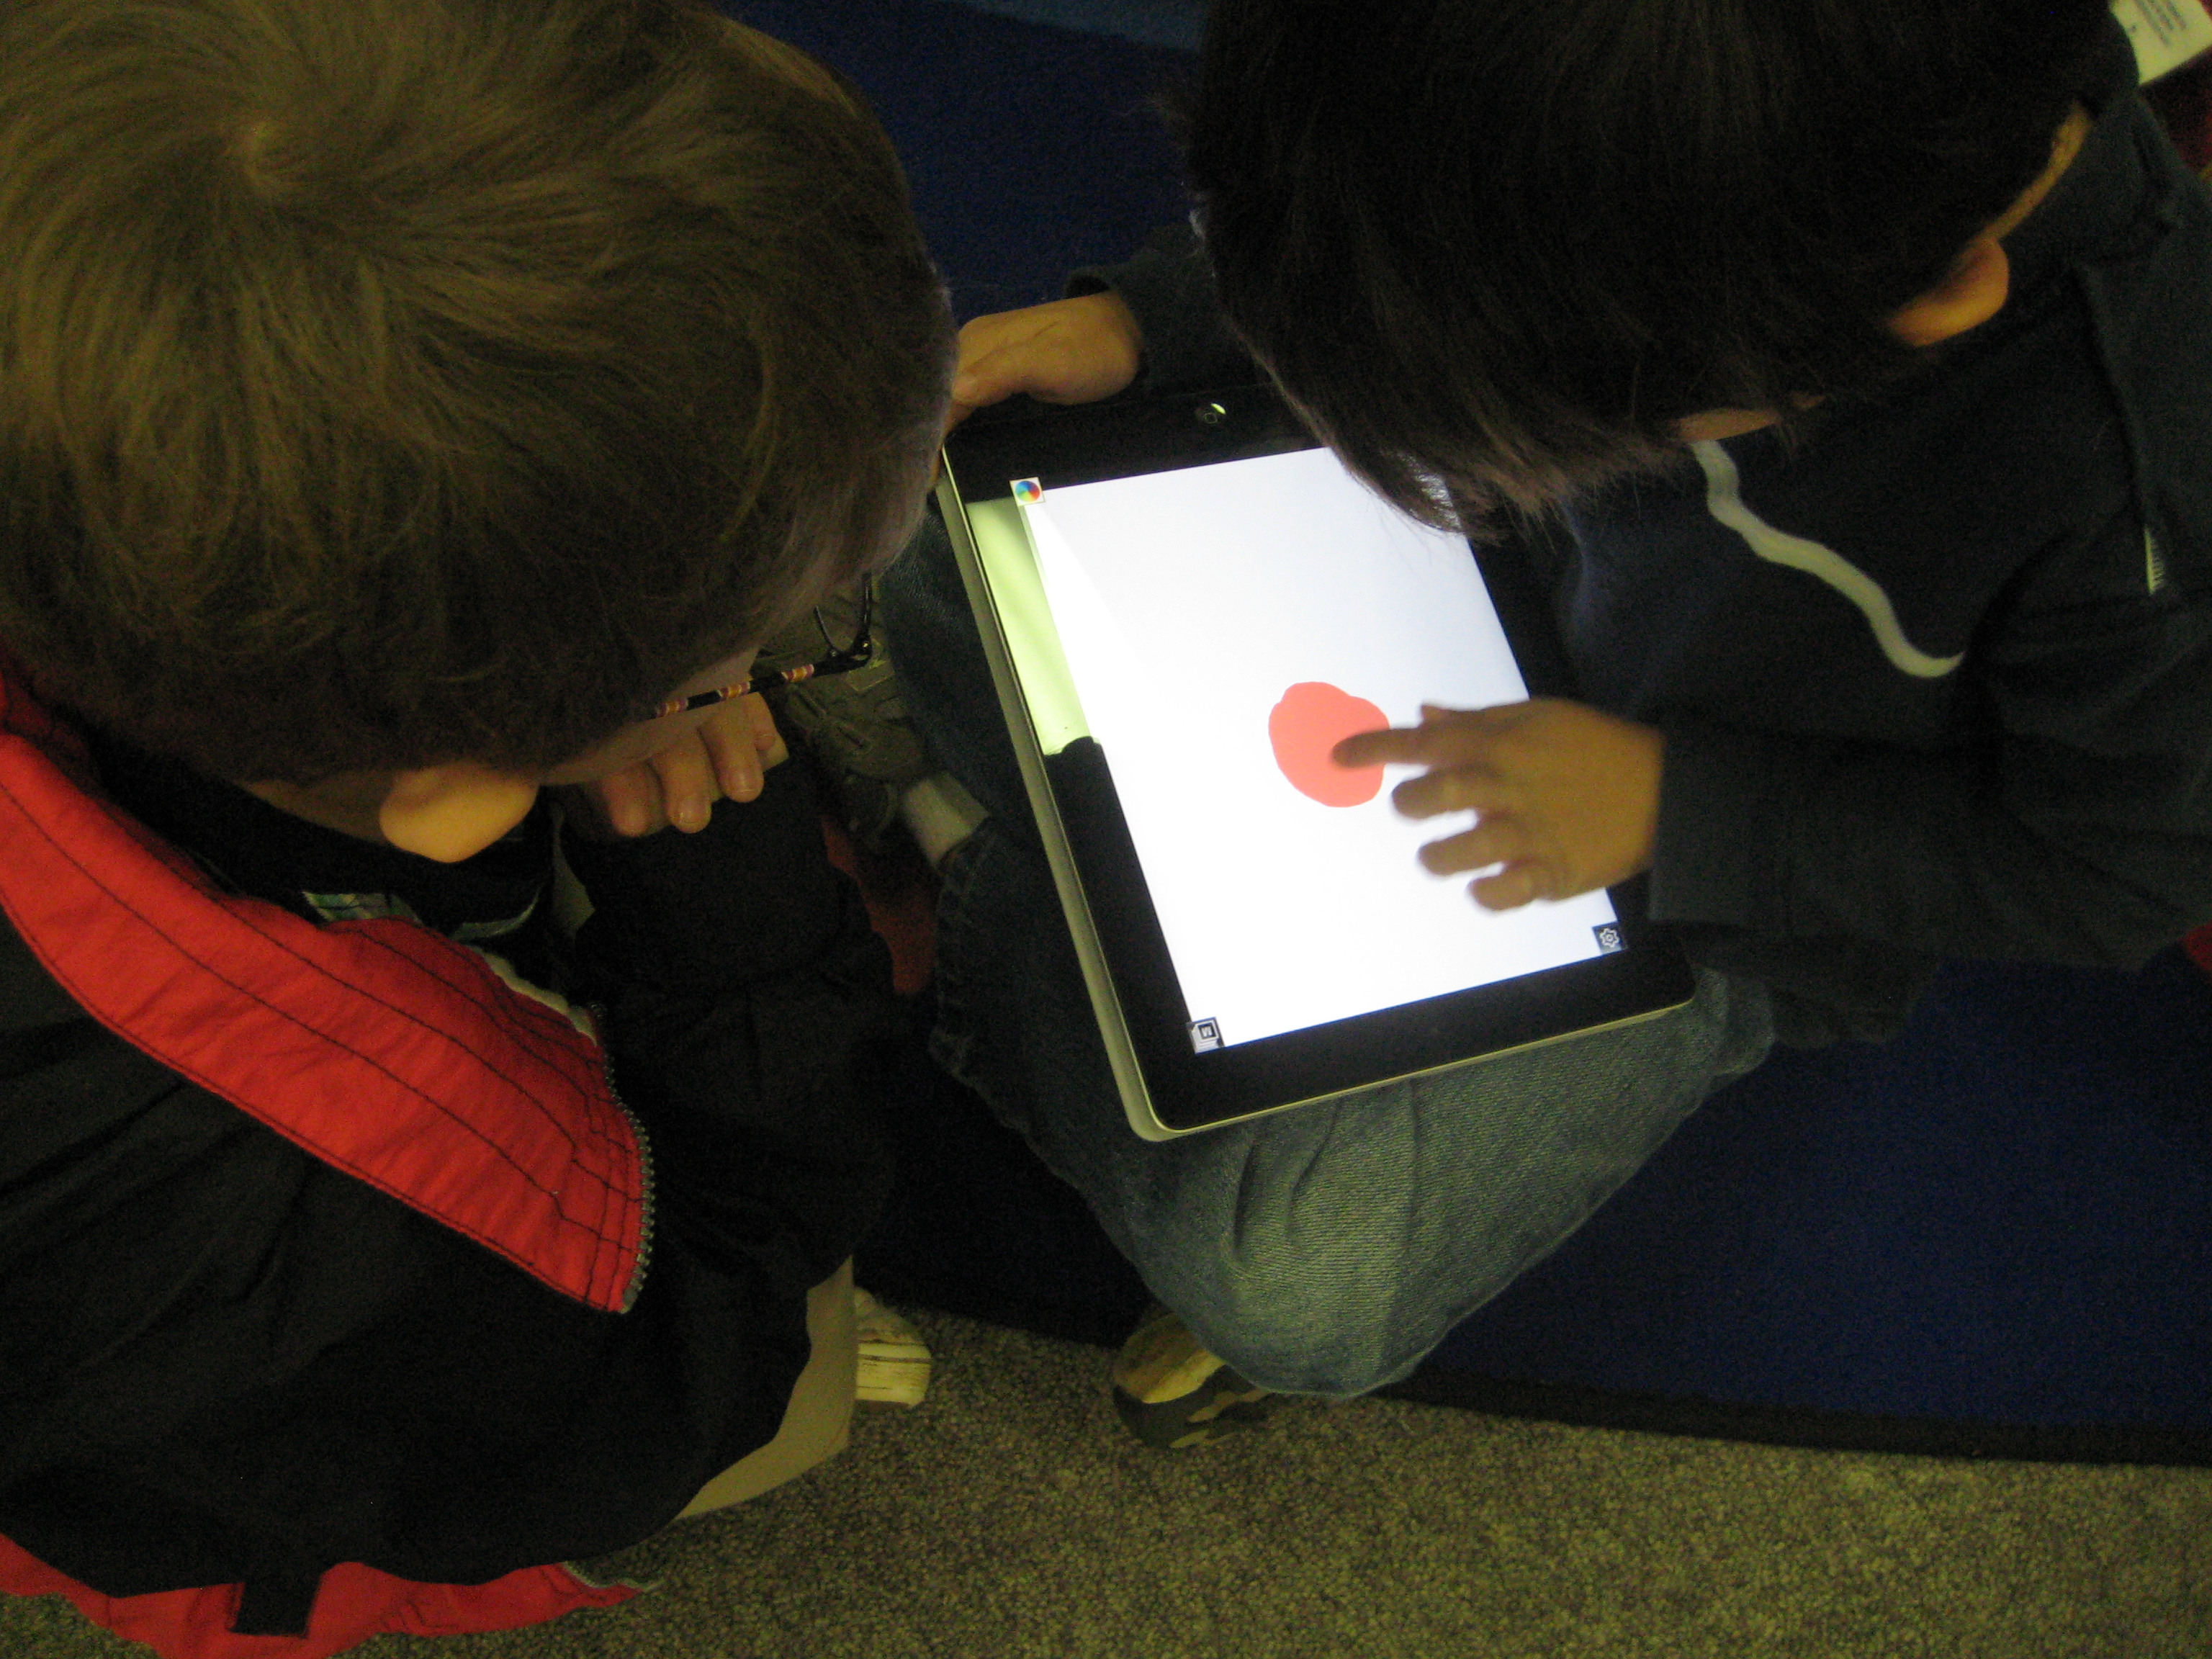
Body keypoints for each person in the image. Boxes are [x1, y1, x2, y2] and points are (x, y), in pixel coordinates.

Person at [870, 0, 2212, 1449]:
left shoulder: (2137, 474)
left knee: (1299, 1290)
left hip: (1705, 878)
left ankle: (977, 898)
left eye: (1576, 414)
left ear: (1929, 299)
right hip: (1456, 584)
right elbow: (1417, 198)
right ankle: (1048, 904)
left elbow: (2114, 869)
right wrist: (1157, 318)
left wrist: (1675, 809)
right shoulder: (1666, 166)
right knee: (951, 568)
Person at [0, 1, 953, 1654]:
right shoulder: (414, 1191)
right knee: (794, 1400)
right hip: (231, 1464)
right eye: (752, 655)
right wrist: (732, 913)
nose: (764, 677)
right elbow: (684, 1350)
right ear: (450, 792)